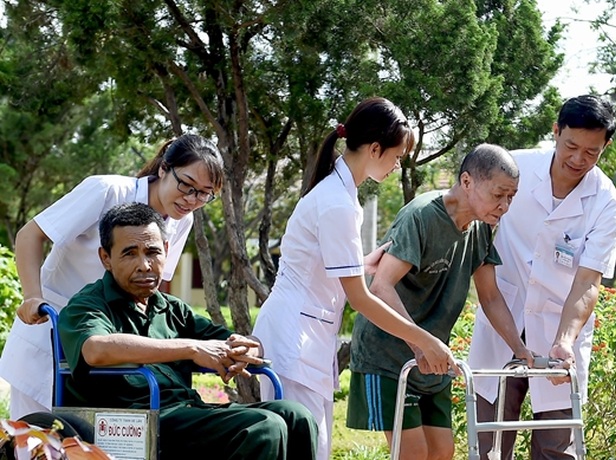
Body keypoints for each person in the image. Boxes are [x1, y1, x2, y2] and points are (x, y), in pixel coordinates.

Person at [252, 96, 458, 460]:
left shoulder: (339, 195)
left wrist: (363, 264)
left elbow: (320, 268)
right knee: (305, 449)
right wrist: (425, 341)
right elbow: (362, 299)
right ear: (375, 148)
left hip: (303, 334)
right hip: (295, 339)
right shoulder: (337, 203)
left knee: (308, 447)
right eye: (396, 157)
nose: (397, 166)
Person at [57, 202, 318, 459]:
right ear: (106, 258)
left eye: (152, 252)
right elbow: (96, 349)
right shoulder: (88, 305)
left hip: (186, 412)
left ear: (166, 251)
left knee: (297, 416)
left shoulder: (173, 309)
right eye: (129, 253)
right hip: (132, 422)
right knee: (263, 427)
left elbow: (224, 341)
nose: (144, 265)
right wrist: (190, 348)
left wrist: (249, 345)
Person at [0, 133, 225, 420]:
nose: (191, 200)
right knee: (37, 444)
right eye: (186, 185)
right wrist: (33, 296)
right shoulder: (107, 191)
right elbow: (30, 235)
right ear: (163, 169)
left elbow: (153, 288)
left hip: (109, 350)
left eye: (204, 193)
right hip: (52, 333)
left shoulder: (181, 220)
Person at [346, 143, 535, 460]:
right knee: (414, 454)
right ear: (466, 181)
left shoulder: (481, 229)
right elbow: (380, 287)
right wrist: (420, 344)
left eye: (511, 197)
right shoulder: (422, 216)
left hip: (432, 362)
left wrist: (520, 349)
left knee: (443, 451)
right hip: (389, 356)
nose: (504, 206)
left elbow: (489, 295)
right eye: (498, 194)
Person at [467, 95, 616, 459]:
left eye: (591, 152)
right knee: (488, 442)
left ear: (606, 147)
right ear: (555, 131)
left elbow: (588, 281)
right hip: (502, 323)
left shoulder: (606, 202)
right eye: (571, 145)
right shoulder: (513, 169)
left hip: (558, 338)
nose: (577, 159)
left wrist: (565, 341)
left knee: (557, 447)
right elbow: (465, 216)